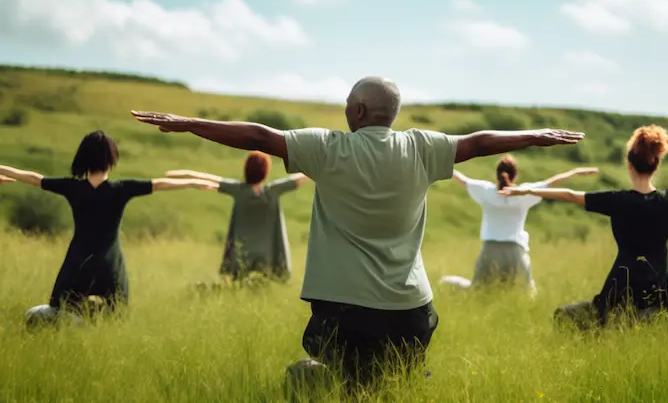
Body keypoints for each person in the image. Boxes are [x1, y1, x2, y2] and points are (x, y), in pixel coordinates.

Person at [131, 76, 585, 391]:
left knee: (326, 380)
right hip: (412, 310)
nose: (345, 109)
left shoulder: (329, 149)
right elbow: (480, 142)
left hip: (346, 313)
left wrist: (189, 123)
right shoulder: (422, 147)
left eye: (349, 103)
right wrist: (535, 136)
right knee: (395, 382)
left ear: (360, 110)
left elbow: (258, 136)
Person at [500, 125, 668, 329]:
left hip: (624, 283)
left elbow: (571, 195)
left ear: (629, 165)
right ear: (656, 165)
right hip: (665, 285)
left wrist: (527, 189)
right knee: (658, 320)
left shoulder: (617, 200)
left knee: (571, 316)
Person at [0, 130, 217, 326]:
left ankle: (76, 330)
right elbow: (159, 184)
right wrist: (192, 182)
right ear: (110, 159)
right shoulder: (120, 189)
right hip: (109, 263)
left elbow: (33, 178)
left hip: (77, 263)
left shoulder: (72, 188)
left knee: (60, 309)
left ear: (82, 158)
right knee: (116, 315)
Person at [440, 157, 598, 294]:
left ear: (496, 174)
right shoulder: (524, 193)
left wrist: (442, 161)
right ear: (515, 175)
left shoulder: (485, 191)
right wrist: (575, 172)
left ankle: (446, 282)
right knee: (527, 294)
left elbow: (461, 179)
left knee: (478, 291)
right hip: (515, 253)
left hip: (490, 251)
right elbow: (551, 183)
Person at [164, 152, 310, 284]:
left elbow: (208, 178)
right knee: (265, 285)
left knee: (239, 285)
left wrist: (179, 174)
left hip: (242, 253)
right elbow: (300, 178)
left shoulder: (238, 190)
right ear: (265, 171)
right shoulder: (272, 191)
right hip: (268, 254)